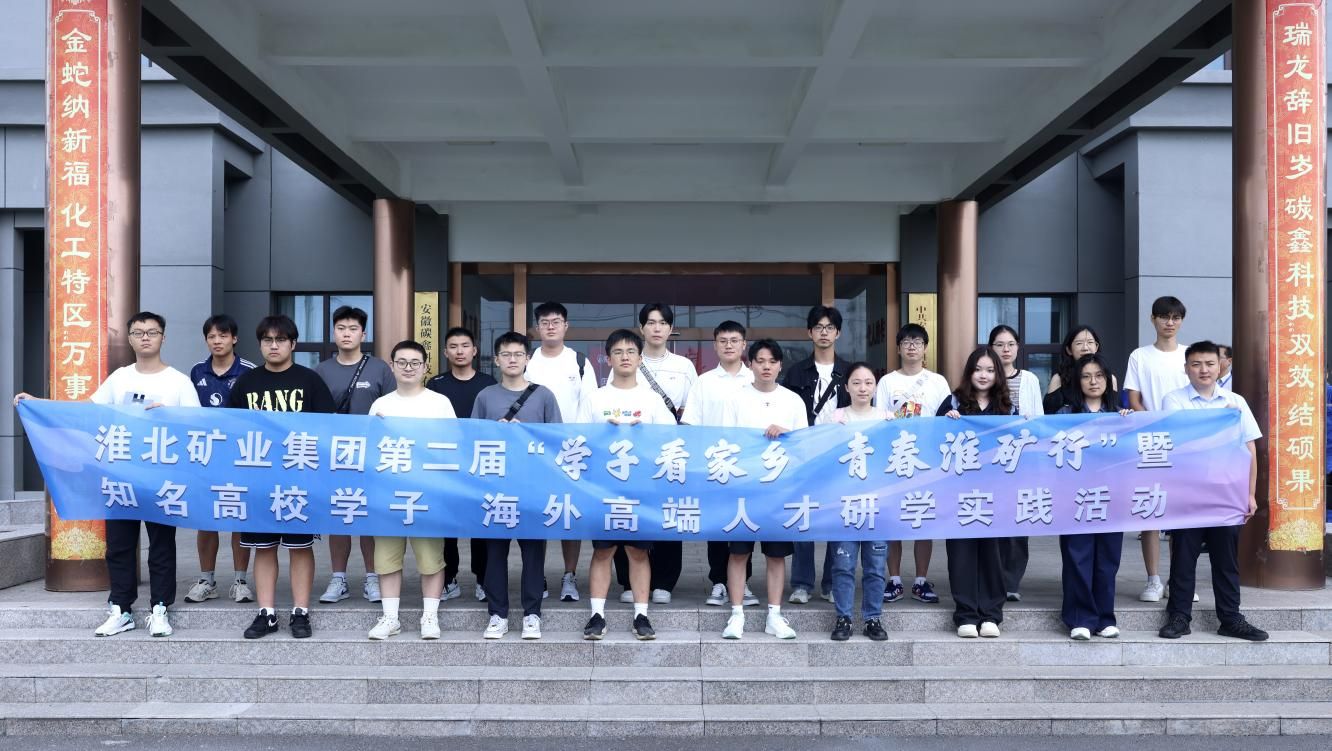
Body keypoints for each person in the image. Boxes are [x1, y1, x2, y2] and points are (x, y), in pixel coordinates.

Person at [17, 312, 200, 638]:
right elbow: (86, 413)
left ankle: (160, 608)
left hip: (162, 479)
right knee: (119, 545)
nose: (145, 337)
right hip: (120, 477)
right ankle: (121, 608)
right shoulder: (119, 379)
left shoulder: (179, 382)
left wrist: (171, 416)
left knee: (161, 545)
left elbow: (199, 428)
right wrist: (39, 404)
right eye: (138, 332)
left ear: (163, 337)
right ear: (129, 339)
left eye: (152, 331)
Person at [229, 314, 338, 640]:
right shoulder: (246, 383)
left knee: (299, 547)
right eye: (267, 340)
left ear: (293, 344)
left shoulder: (310, 380)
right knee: (263, 547)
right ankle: (267, 613)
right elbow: (229, 428)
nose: (273, 346)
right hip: (259, 480)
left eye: (280, 340)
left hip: (299, 479)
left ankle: (300, 612)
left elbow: (328, 428)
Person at [1158, 341, 1268, 642]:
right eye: (1196, 364)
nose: (1203, 370)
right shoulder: (1174, 400)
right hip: (1188, 494)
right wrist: (1222, 421)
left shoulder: (1235, 401)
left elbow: (1249, 449)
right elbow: (1182, 440)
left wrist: (1249, 493)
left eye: (1209, 364)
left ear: (1220, 366)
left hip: (1226, 494)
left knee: (1226, 560)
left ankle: (1230, 619)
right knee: (1184, 557)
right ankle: (1179, 617)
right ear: (1186, 369)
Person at [577, 329, 675, 641]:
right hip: (602, 488)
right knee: (603, 551)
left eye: (631, 352)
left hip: (641, 488)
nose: (624, 357)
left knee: (638, 551)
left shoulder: (651, 400)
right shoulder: (595, 399)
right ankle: (597, 615)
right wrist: (600, 435)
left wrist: (645, 433)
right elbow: (577, 441)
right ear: (608, 359)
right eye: (617, 352)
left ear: (640, 358)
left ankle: (641, 615)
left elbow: (671, 440)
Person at [473, 332, 563, 640]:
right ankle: (497, 615)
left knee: (534, 554)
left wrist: (526, 434)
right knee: (494, 554)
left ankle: (532, 614)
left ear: (527, 359)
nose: (512, 360)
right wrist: (495, 433)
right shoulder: (485, 396)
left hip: (532, 488)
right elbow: (473, 440)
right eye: (506, 354)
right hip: (495, 487)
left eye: (518, 354)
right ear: (496, 360)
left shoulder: (544, 395)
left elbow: (557, 441)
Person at [366, 340, 457, 641]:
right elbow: (369, 449)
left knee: (431, 559)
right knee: (386, 558)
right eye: (402, 362)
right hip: (388, 494)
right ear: (392, 366)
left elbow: (453, 445)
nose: (408, 368)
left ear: (425, 367)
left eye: (415, 362)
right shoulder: (381, 405)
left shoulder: (440, 403)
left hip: (427, 492)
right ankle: (390, 618)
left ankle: (429, 616)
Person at [720, 339, 808, 641]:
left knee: (776, 555)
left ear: (780, 365)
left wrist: (787, 435)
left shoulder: (792, 401)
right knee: (738, 553)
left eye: (772, 361)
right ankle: (736, 614)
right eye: (760, 361)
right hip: (744, 488)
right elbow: (726, 443)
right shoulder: (735, 398)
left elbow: (804, 445)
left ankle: (774, 615)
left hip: (779, 491)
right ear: (751, 364)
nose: (766, 366)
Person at [612, 304, 697, 606]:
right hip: (631, 454)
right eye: (650, 322)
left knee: (668, 512)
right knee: (628, 511)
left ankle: (664, 581)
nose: (657, 328)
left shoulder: (684, 366)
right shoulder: (628, 359)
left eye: (663, 323)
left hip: (669, 450)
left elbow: (692, 409)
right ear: (642, 328)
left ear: (670, 328)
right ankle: (627, 580)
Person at [315, 305, 396, 605]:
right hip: (334, 457)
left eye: (353, 329)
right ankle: (339, 579)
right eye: (341, 328)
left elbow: (393, 407)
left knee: (368, 517)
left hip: (372, 458)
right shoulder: (322, 371)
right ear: (333, 333)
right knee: (339, 516)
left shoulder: (379, 369)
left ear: (364, 334)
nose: (346, 334)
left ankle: (372, 578)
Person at [525, 301, 599, 603]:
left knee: (570, 513)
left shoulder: (579, 361)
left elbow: (590, 405)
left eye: (556, 321)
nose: (551, 326)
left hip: (572, 450)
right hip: (534, 450)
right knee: (538, 513)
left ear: (566, 326)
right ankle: (537, 575)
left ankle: (570, 575)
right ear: (537, 328)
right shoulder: (528, 361)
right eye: (545, 322)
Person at [938, 346, 1014, 639]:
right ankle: (966, 615)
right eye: (978, 369)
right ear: (969, 372)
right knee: (962, 555)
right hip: (960, 496)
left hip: (997, 495)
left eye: (990, 370)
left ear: (998, 375)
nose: (984, 375)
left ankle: (991, 615)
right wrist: (945, 422)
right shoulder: (953, 402)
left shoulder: (1008, 408)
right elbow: (934, 442)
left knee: (994, 554)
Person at [681, 321, 758, 608]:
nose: (728, 345)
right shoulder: (704, 382)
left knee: (744, 523)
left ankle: (743, 581)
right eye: (723, 340)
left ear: (743, 345)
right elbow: (690, 424)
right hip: (713, 466)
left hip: (747, 467)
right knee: (716, 527)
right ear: (715, 346)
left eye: (734, 340)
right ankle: (718, 582)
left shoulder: (755, 379)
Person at [1055, 353, 1132, 640]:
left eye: (1099, 376)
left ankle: (1104, 618)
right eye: (1086, 376)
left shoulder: (1121, 415)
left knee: (1107, 560)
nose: (1093, 381)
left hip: (1112, 498)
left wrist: (1129, 423)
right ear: (1077, 381)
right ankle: (1080, 619)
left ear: (1108, 380)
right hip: (1076, 498)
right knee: (1078, 557)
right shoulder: (1065, 415)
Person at [875, 323, 951, 605]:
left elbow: (946, 419)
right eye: (906, 341)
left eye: (917, 341)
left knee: (923, 520)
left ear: (925, 348)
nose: (911, 346)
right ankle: (894, 580)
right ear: (898, 348)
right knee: (892, 523)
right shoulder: (886, 382)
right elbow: (878, 419)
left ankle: (921, 581)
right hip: (894, 459)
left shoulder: (938, 382)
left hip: (927, 461)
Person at [184, 314, 256, 605]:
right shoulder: (196, 371)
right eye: (212, 336)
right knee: (206, 517)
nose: (217, 341)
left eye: (223, 335)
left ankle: (240, 581)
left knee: (239, 516)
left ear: (234, 338)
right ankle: (207, 580)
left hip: (239, 456)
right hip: (206, 456)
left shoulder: (249, 371)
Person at [819, 362, 892, 642]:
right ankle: (844, 618)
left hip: (878, 506)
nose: (863, 388)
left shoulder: (888, 419)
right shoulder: (835, 418)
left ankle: (873, 618)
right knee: (842, 566)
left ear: (875, 387)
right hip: (844, 506)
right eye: (857, 382)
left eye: (868, 382)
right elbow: (819, 454)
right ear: (846, 387)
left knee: (875, 567)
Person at [783, 305, 851, 604]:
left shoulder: (850, 371)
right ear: (809, 332)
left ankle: (832, 583)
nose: (824, 332)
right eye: (819, 327)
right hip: (805, 453)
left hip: (840, 454)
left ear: (838, 333)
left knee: (837, 517)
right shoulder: (796, 372)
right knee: (804, 515)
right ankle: (801, 583)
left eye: (829, 327)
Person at [1123, 296, 1189, 603]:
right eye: (1164, 317)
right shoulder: (1140, 356)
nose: (1169, 322)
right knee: (1150, 511)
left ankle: (1179, 580)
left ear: (1181, 321)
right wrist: (1154, 424)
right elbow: (1133, 399)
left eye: (1175, 317)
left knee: (1180, 517)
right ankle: (1153, 580)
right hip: (1150, 441)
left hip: (1184, 443)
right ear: (1153, 320)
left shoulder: (1189, 355)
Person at [427, 326, 498, 602]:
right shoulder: (436, 384)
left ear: (474, 351)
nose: (460, 351)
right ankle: (449, 578)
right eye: (453, 346)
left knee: (481, 522)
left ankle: (482, 578)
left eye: (465, 346)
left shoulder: (488, 383)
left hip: (480, 462)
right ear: (445, 352)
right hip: (446, 463)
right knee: (447, 524)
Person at [987, 324, 1044, 603]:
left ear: (1018, 348)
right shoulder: (985, 376)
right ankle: (993, 577)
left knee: (1018, 521)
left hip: (1022, 460)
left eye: (1010, 344)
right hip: (990, 462)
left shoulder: (1029, 379)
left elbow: (1038, 419)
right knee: (992, 519)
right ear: (991, 348)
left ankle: (1011, 581)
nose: (1005, 349)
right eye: (999, 344)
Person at [1043, 326, 1118, 414]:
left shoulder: (1109, 378)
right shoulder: (1059, 379)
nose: (1085, 348)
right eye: (1079, 343)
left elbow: (1113, 411)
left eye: (1090, 342)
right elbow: (1049, 416)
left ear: (1096, 347)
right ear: (1069, 350)